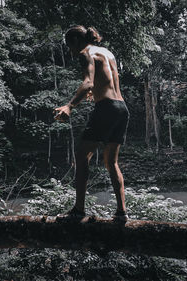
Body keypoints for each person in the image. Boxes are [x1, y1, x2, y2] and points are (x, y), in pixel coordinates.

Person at [53, 25, 129, 222]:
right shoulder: (107, 52)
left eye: (70, 46)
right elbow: (107, 80)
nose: (71, 51)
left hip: (106, 109)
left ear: (77, 42)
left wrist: (69, 106)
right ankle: (121, 212)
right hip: (121, 108)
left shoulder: (86, 53)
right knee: (111, 161)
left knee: (81, 155)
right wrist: (91, 93)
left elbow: (89, 82)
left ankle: (78, 210)